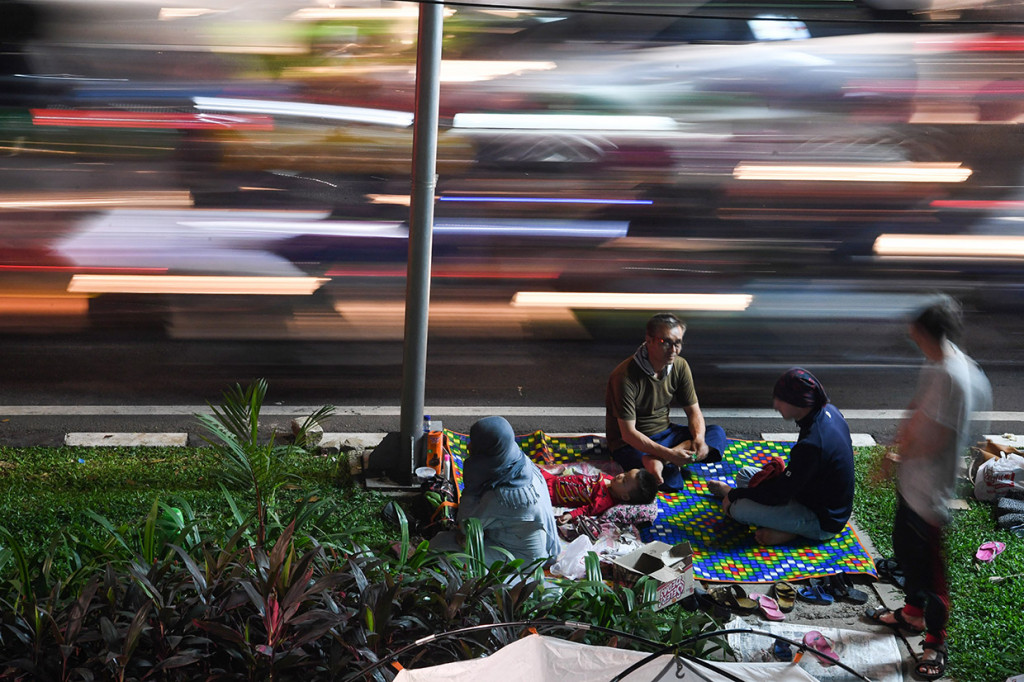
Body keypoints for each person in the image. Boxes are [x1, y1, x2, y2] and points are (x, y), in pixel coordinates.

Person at [866, 298, 991, 681]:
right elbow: (920, 408)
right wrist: (899, 445)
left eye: (914, 330)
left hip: (930, 490)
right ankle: (912, 614)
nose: (910, 336)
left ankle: (936, 643)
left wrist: (896, 459)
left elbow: (940, 435)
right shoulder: (937, 361)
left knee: (932, 571)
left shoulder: (956, 375)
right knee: (905, 548)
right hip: (912, 483)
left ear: (925, 332)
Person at [707, 368, 855, 546]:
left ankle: (792, 533)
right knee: (745, 475)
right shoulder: (828, 411)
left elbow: (778, 495)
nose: (776, 406)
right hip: (807, 493)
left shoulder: (812, 444)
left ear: (798, 402)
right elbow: (789, 483)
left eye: (781, 400)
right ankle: (782, 525)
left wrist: (734, 495)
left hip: (823, 520)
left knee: (738, 508)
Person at [605, 312, 727, 491]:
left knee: (716, 433)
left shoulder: (680, 365)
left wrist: (699, 439)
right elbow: (628, 434)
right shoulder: (625, 376)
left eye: (678, 343)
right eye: (666, 342)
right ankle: (670, 460)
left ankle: (663, 461)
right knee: (672, 482)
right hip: (632, 444)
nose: (673, 350)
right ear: (649, 340)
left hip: (667, 434)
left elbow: (694, 411)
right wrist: (671, 453)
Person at [430, 416, 560, 566]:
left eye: (475, 443)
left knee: (439, 549)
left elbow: (467, 527)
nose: (469, 446)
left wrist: (472, 486)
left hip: (523, 559)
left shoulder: (503, 496)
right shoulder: (520, 461)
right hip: (543, 545)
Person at [541, 467, 659, 523]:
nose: (620, 476)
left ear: (625, 497)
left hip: (551, 494)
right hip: (553, 479)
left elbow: (587, 510)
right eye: (625, 473)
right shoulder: (610, 480)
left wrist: (570, 515)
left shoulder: (604, 501)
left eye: (624, 481)